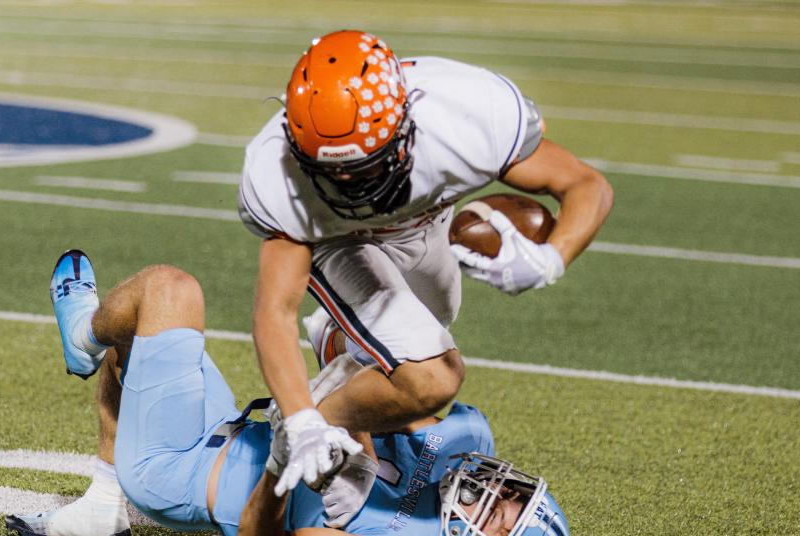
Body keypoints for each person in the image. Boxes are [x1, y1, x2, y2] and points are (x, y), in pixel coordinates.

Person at [7, 250, 572, 536]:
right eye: (515, 492)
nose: (494, 490)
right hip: (231, 424)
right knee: (136, 337)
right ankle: (103, 504)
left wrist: (282, 461)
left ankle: (83, 338)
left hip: (178, 471)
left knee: (168, 289)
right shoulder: (462, 447)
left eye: (501, 514)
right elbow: (396, 395)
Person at [240, 30, 613, 489]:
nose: (349, 183)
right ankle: (311, 433)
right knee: (431, 379)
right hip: (341, 240)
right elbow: (274, 310)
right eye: (331, 170)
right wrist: (304, 422)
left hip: (427, 221)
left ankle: (336, 344)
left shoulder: (468, 112)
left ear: (406, 123)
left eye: (365, 167)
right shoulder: (275, 170)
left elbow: (585, 185)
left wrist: (550, 259)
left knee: (436, 319)